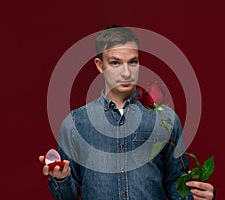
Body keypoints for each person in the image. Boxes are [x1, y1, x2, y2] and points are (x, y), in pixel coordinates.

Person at [39, 26, 215, 200]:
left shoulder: (166, 119)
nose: (126, 72)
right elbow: (66, 197)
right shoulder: (75, 123)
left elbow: (174, 185)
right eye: (115, 63)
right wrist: (61, 179)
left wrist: (198, 196)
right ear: (100, 65)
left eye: (133, 62)